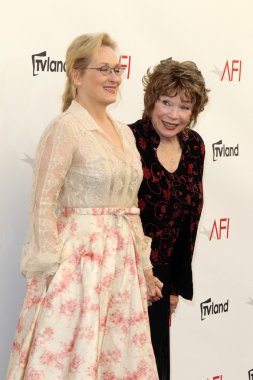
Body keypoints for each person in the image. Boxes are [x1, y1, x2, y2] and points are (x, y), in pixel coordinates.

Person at [6, 33, 162, 380]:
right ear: (77, 75)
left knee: (116, 358)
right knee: (69, 359)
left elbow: (131, 205)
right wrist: (53, 267)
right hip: (78, 266)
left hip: (122, 266)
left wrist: (145, 266)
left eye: (117, 69)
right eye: (103, 69)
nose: (113, 77)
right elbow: (42, 201)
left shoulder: (123, 132)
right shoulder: (65, 128)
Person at [129, 58, 209, 380]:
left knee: (156, 367)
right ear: (152, 100)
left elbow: (188, 221)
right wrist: (142, 274)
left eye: (184, 106)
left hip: (161, 282)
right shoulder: (128, 140)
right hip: (126, 271)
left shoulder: (195, 147)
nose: (173, 114)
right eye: (166, 102)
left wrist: (174, 285)